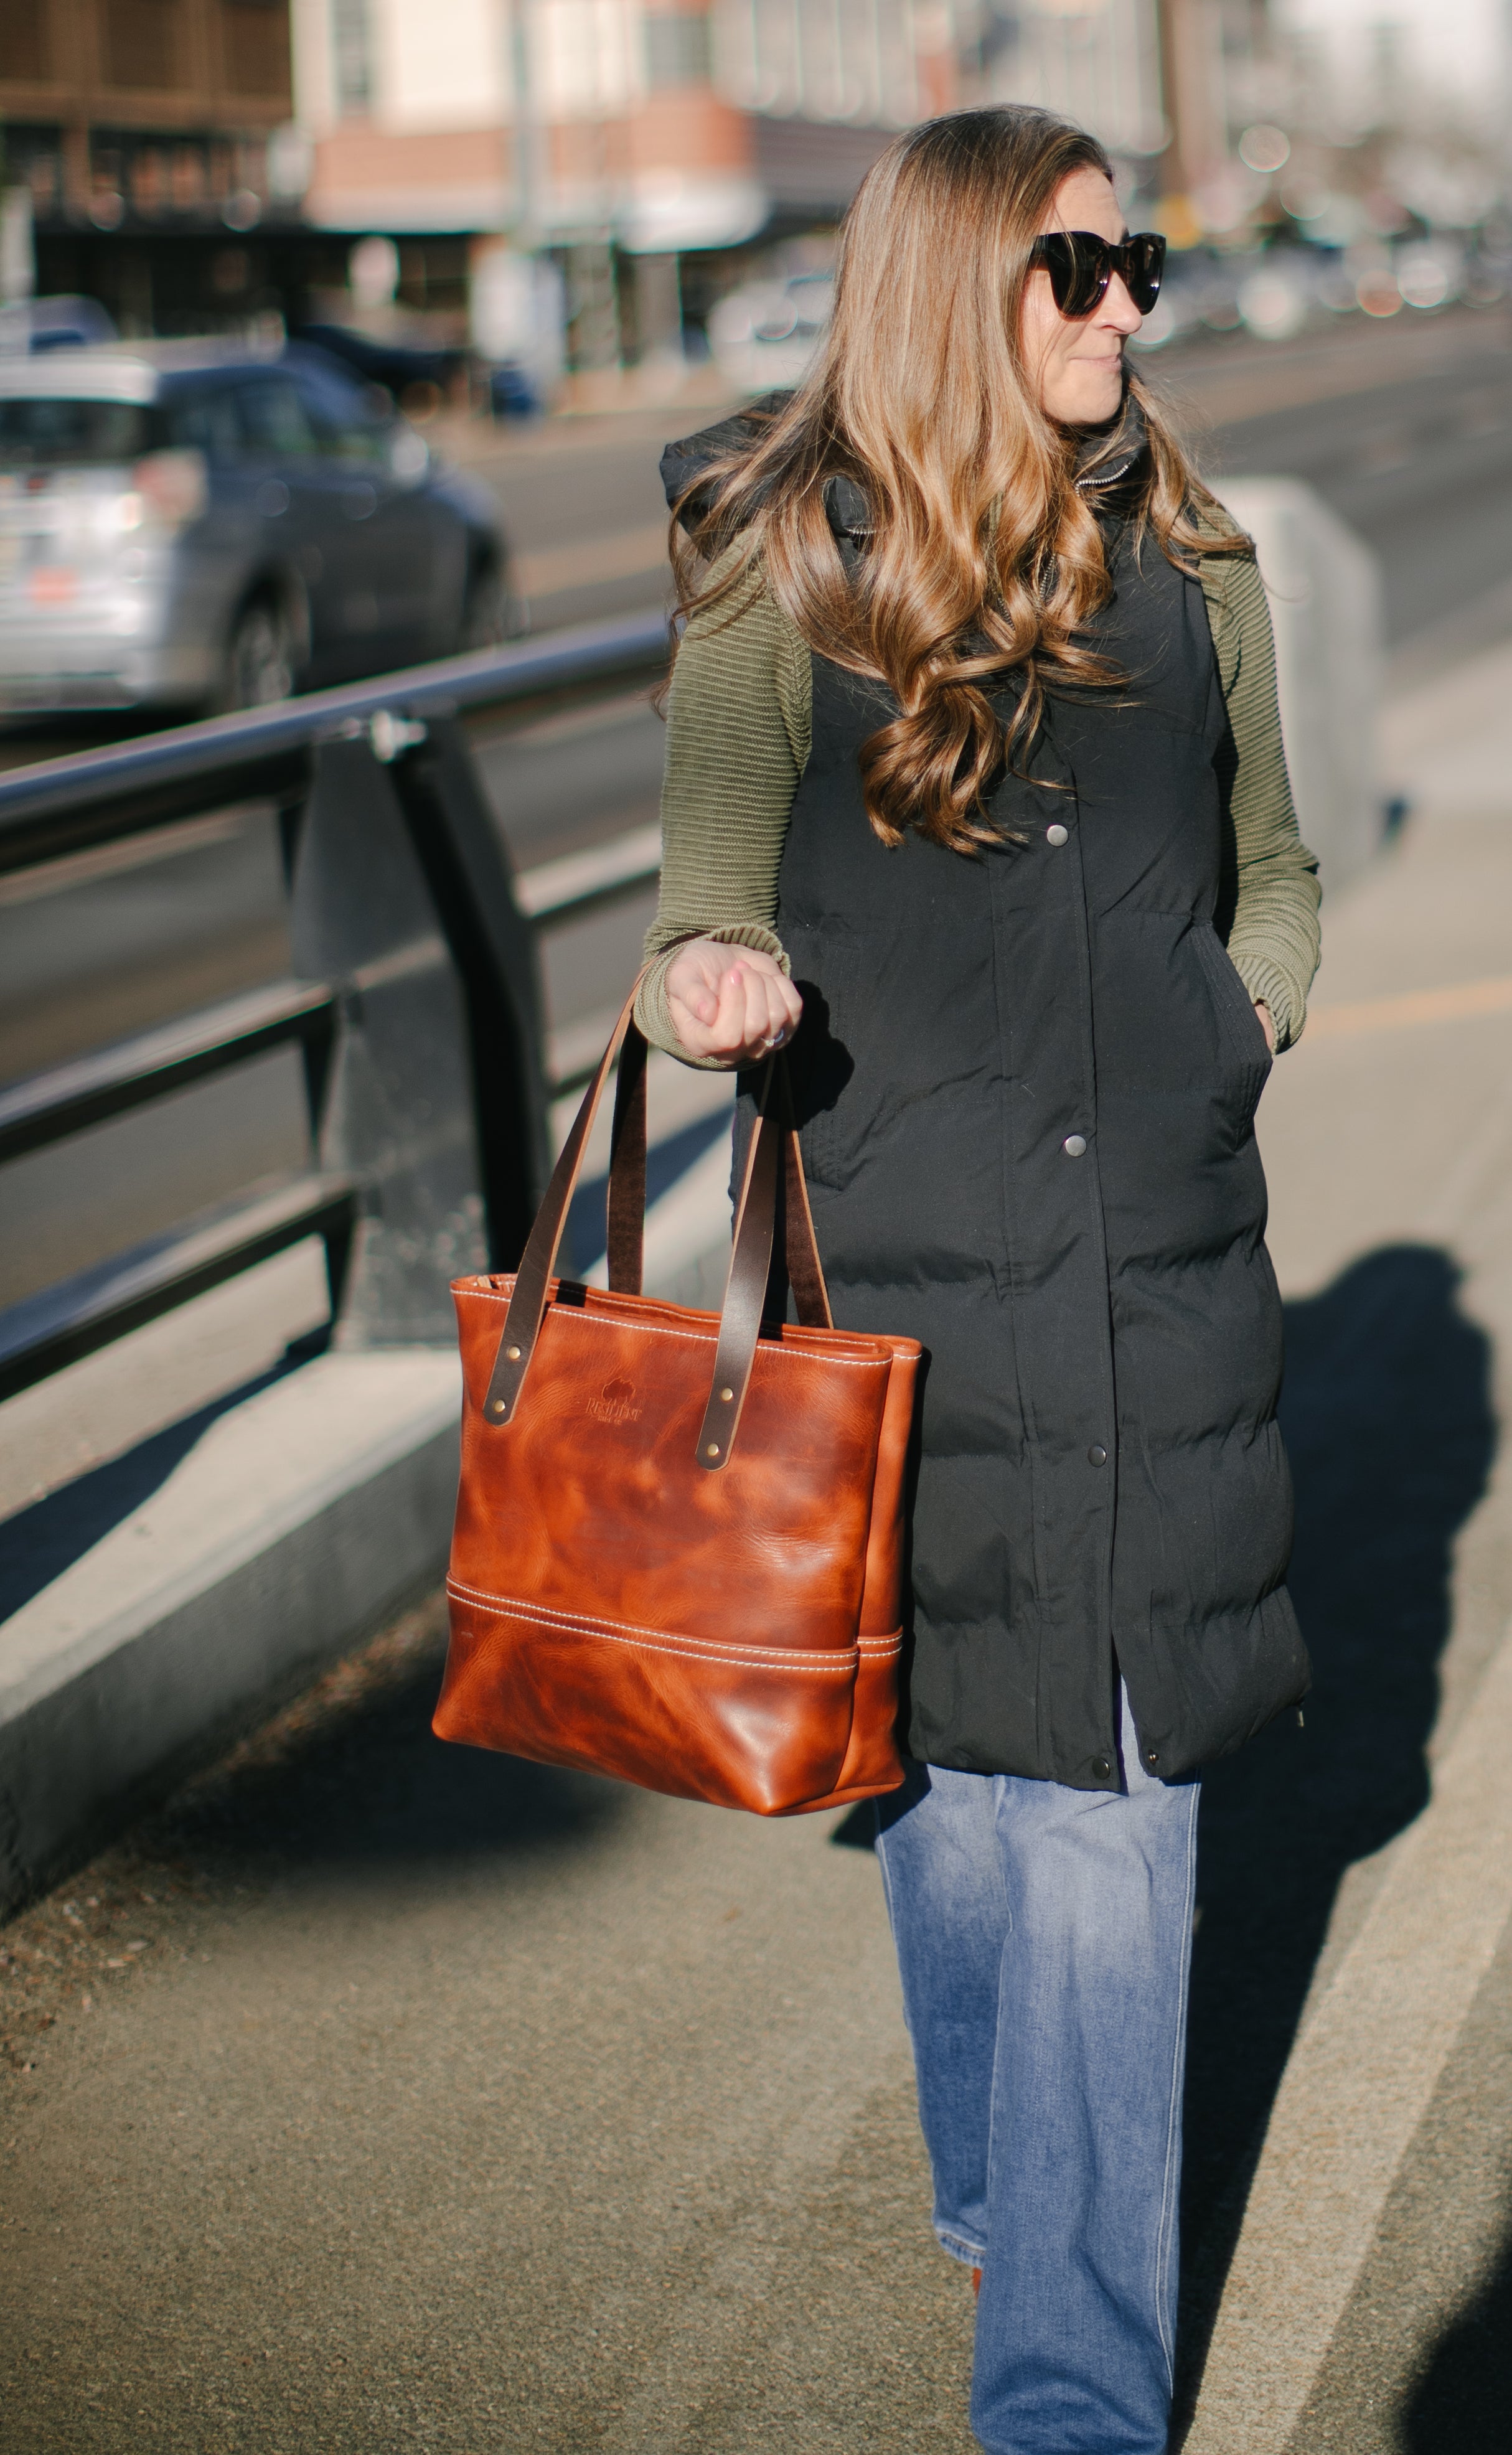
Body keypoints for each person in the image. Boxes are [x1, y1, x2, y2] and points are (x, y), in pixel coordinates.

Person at [636, 106, 1320, 2455]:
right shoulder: (777, 562)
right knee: (955, 1789)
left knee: (1116, 1820)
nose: (1133, 302)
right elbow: (698, 894)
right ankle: (992, 2183)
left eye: (1140, 262)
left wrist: (1257, 1015)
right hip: (898, 1277)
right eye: (1085, 267)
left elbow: (1278, 859)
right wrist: (715, 981)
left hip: (1154, 1271)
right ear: (953, 287)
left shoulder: (1196, 552)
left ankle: (1061, 2402)